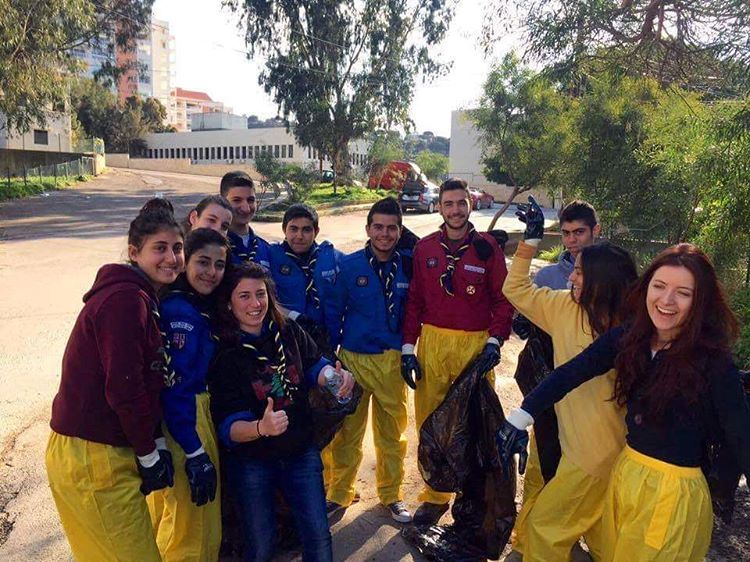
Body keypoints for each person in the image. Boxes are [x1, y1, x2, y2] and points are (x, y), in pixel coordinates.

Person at [499, 243, 750, 562]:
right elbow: (574, 371)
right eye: (659, 286)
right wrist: (521, 415)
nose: (666, 300)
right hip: (626, 475)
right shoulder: (633, 336)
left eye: (683, 293)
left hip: (671, 493)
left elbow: (741, 435)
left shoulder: (713, 361)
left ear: (700, 302)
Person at [46, 198, 184, 560]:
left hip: (100, 451)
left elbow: (145, 379)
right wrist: (148, 453)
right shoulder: (125, 300)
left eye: (177, 247)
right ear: (134, 252)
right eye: (160, 248)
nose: (171, 257)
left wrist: (153, 440)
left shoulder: (139, 296)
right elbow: (125, 388)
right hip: (92, 454)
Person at [502, 196, 638, 561]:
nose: (572, 276)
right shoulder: (564, 307)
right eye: (573, 269)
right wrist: (529, 241)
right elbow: (515, 290)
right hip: (572, 442)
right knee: (603, 533)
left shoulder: (632, 326)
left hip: (596, 456)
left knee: (545, 530)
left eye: (580, 272)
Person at [208, 264, 355, 562]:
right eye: (244, 296)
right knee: (261, 545)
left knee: (317, 536)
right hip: (253, 462)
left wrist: (334, 378)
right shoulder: (226, 353)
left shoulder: (287, 331)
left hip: (300, 451)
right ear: (229, 303)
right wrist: (260, 428)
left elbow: (314, 365)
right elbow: (226, 427)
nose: (255, 304)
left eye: (260, 294)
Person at [401, 177, 514, 525]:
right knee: (432, 421)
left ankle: (472, 497)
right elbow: (415, 300)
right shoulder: (426, 249)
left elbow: (502, 299)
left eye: (460, 203)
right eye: (448, 203)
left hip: (474, 346)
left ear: (470, 205)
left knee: (476, 423)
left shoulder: (487, 249)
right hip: (434, 343)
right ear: (439, 207)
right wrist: (409, 347)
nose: (455, 210)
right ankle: (435, 496)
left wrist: (495, 342)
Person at [508, 199, 603, 560]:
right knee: (542, 466)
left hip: (595, 406)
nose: (572, 240)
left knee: (591, 481)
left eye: (579, 232)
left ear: (597, 230)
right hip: (549, 390)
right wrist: (526, 324)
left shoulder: (615, 275)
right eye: (565, 233)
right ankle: (525, 540)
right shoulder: (550, 279)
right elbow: (520, 299)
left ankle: (591, 543)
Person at [324, 197, 413, 523]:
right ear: (368, 228)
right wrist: (330, 357)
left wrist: (408, 351)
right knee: (347, 432)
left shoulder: (408, 265)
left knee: (392, 434)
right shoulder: (349, 266)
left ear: (400, 231)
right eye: (379, 227)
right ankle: (339, 492)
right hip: (353, 361)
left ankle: (391, 494)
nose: (385, 234)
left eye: (392, 228)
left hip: (391, 362)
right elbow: (334, 313)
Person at [147, 228, 229, 561]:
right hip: (187, 421)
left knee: (171, 517)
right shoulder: (183, 313)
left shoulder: (193, 304)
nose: (211, 272)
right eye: (203, 262)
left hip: (181, 420)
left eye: (220, 264)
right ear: (185, 263)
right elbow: (176, 385)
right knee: (194, 527)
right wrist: (194, 452)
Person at [268, 203, 342, 352]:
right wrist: (295, 317)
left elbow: (364, 265)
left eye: (306, 230)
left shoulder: (332, 257)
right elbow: (265, 300)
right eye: (293, 229)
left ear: (316, 231)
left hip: (326, 342)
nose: (299, 236)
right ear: (284, 230)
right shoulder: (271, 256)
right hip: (287, 341)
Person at [220, 170, 271, 268]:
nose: (246, 208)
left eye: (250, 200)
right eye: (237, 200)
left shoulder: (266, 249)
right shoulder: (213, 246)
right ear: (222, 201)